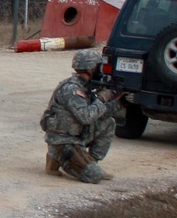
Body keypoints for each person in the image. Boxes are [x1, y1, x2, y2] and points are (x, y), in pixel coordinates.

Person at [40, 49, 124, 184]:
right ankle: (56, 156)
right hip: (63, 140)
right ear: (90, 69)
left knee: (108, 123)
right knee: (94, 176)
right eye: (99, 67)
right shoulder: (72, 89)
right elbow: (86, 117)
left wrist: (118, 101)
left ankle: (90, 161)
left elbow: (100, 114)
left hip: (77, 136)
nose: (101, 71)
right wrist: (102, 98)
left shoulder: (86, 87)